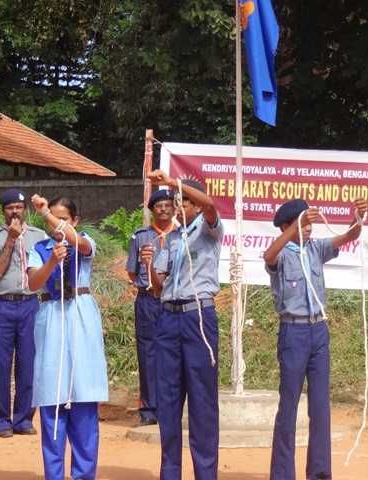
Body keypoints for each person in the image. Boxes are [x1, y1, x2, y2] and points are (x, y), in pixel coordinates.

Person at [264, 198, 367, 480]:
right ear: (286, 226)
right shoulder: (283, 253)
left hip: (318, 331)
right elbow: (268, 256)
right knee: (289, 406)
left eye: (309, 223)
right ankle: (283, 474)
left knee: (320, 405)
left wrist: (357, 218)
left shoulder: (316, 249)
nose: (308, 229)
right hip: (293, 332)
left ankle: (320, 472)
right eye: (303, 224)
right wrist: (295, 227)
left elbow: (350, 236)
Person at [146, 170, 224, 480]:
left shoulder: (208, 230)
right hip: (168, 317)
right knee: (168, 399)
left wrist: (173, 182)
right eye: (181, 201)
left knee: (202, 402)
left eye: (186, 201)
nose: (181, 206)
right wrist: (150, 266)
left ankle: (205, 474)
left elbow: (211, 206)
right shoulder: (172, 239)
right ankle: (170, 473)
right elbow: (158, 287)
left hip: (197, 318)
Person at [27, 195, 109, 480]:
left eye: (63, 219)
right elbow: (33, 283)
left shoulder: (83, 242)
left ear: (75, 221)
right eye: (52, 220)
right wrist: (51, 261)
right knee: (52, 394)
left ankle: (84, 474)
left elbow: (79, 243)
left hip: (81, 315)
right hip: (51, 314)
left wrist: (47, 214)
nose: (56, 226)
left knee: (84, 396)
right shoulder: (39, 248)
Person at [0, 189, 46, 437]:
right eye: (10, 208)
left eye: (18, 207)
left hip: (30, 304)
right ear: (3, 211)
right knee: (0, 364)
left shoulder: (39, 236)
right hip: (2, 305)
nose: (15, 212)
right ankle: (0, 421)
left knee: (29, 363)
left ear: (25, 209)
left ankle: (23, 419)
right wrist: (10, 240)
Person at [125, 189, 176, 426]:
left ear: (174, 208)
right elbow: (132, 270)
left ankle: (171, 405)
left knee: (173, 353)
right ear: (152, 210)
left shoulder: (182, 235)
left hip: (174, 301)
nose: (163, 209)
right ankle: (149, 408)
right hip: (147, 300)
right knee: (148, 353)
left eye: (167, 205)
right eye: (159, 206)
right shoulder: (141, 236)